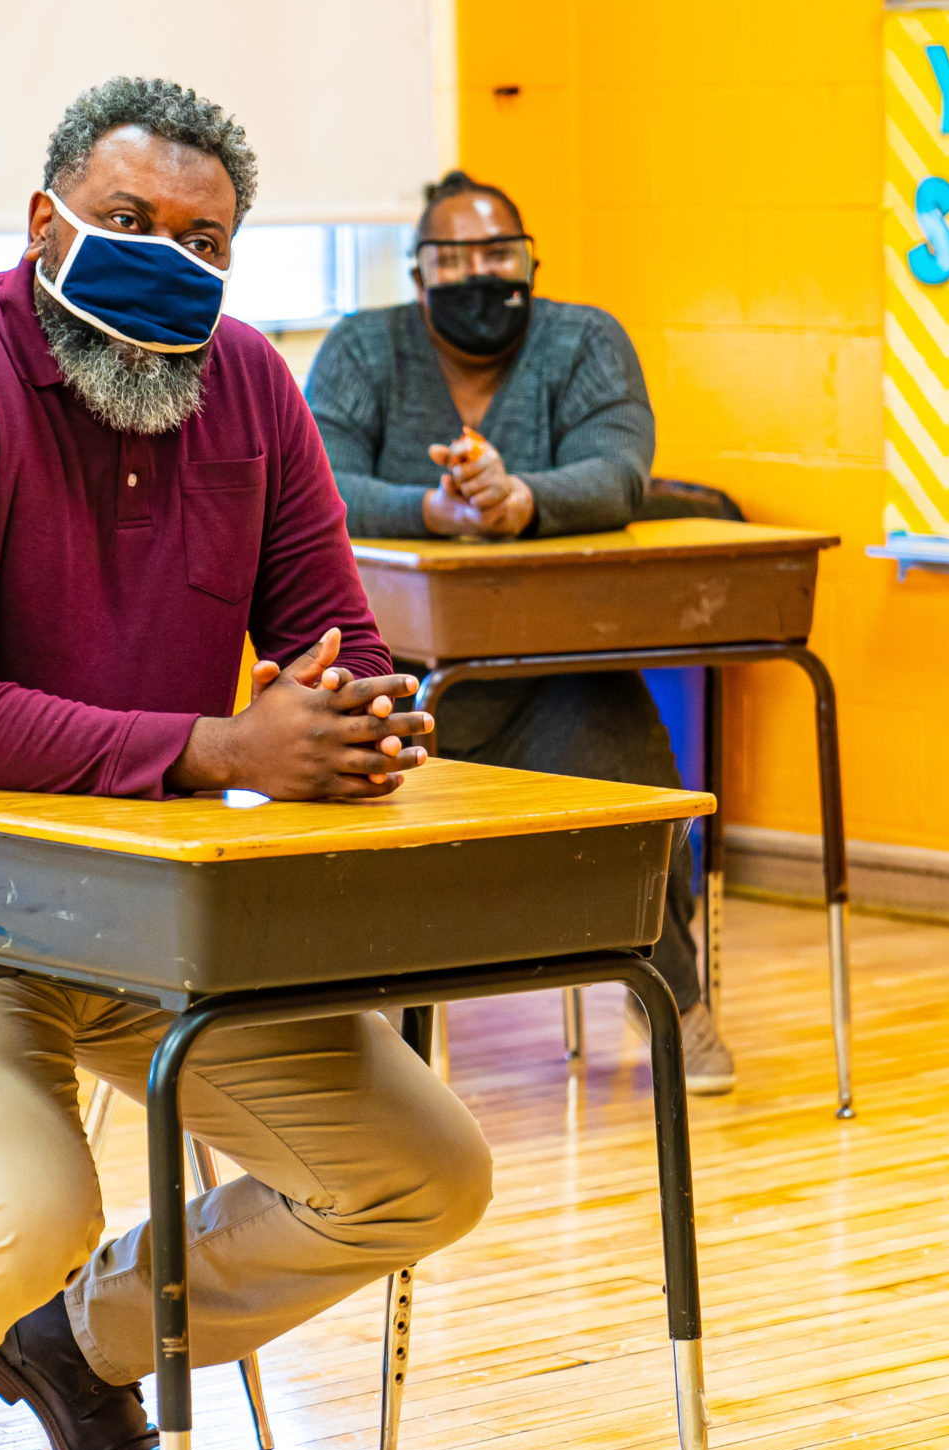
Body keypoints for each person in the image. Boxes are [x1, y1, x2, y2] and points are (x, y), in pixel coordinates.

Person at [0, 79, 492, 1450]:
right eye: (128, 223)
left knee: (421, 1174)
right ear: (45, 226)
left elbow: (334, 637)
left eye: (204, 240)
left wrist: (365, 713)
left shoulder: (253, 391)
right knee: (34, 1197)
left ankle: (76, 1337)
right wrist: (227, 739)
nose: (170, 258)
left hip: (144, 907)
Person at [304, 170, 733, 1094]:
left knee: (633, 781)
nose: (477, 275)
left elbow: (620, 472)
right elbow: (322, 485)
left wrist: (520, 499)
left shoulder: (586, 341)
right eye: (453, 259)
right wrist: (437, 508)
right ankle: (357, 1040)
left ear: (530, 263)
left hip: (555, 670)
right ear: (418, 274)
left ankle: (675, 998)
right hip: (400, 677)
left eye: (498, 255)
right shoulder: (360, 348)